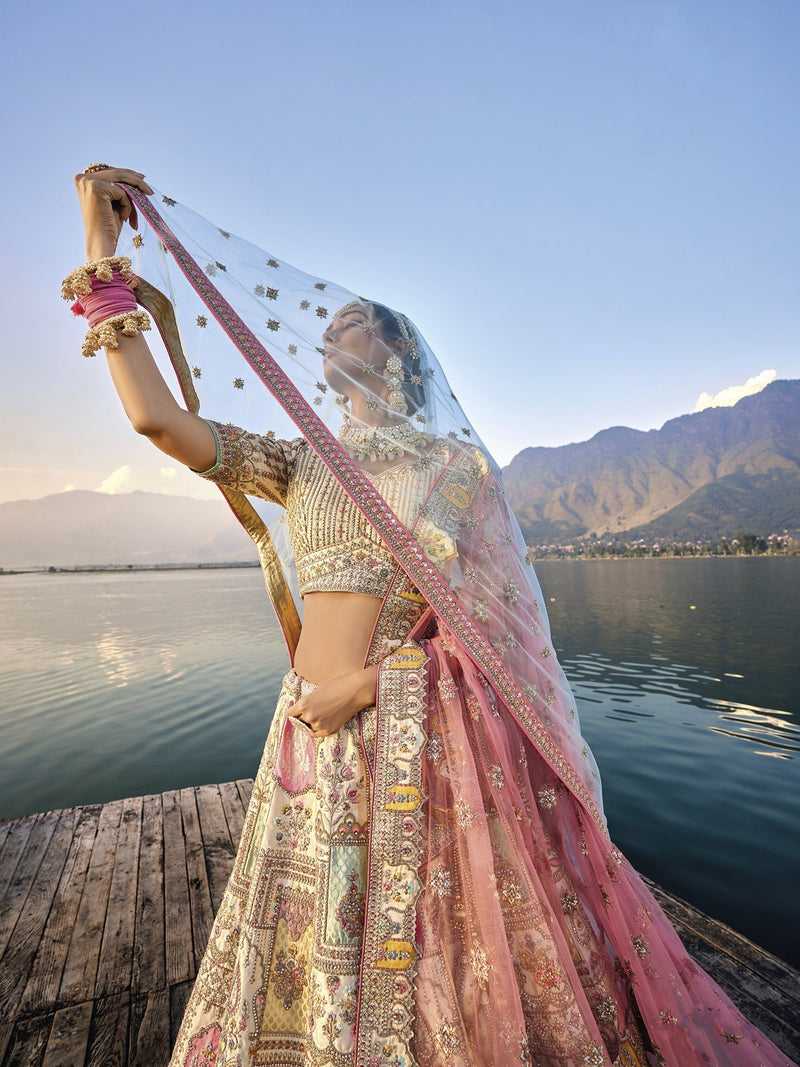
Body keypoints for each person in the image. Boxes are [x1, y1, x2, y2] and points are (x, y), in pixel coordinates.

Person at [69, 166, 795, 1067]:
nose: (333, 324)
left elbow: (500, 641)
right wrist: (99, 250)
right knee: (305, 940)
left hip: (398, 736)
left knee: (427, 951)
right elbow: (157, 421)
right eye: (327, 321)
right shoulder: (301, 458)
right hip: (303, 737)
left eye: (357, 319)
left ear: (401, 356)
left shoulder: (456, 472)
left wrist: (372, 685)